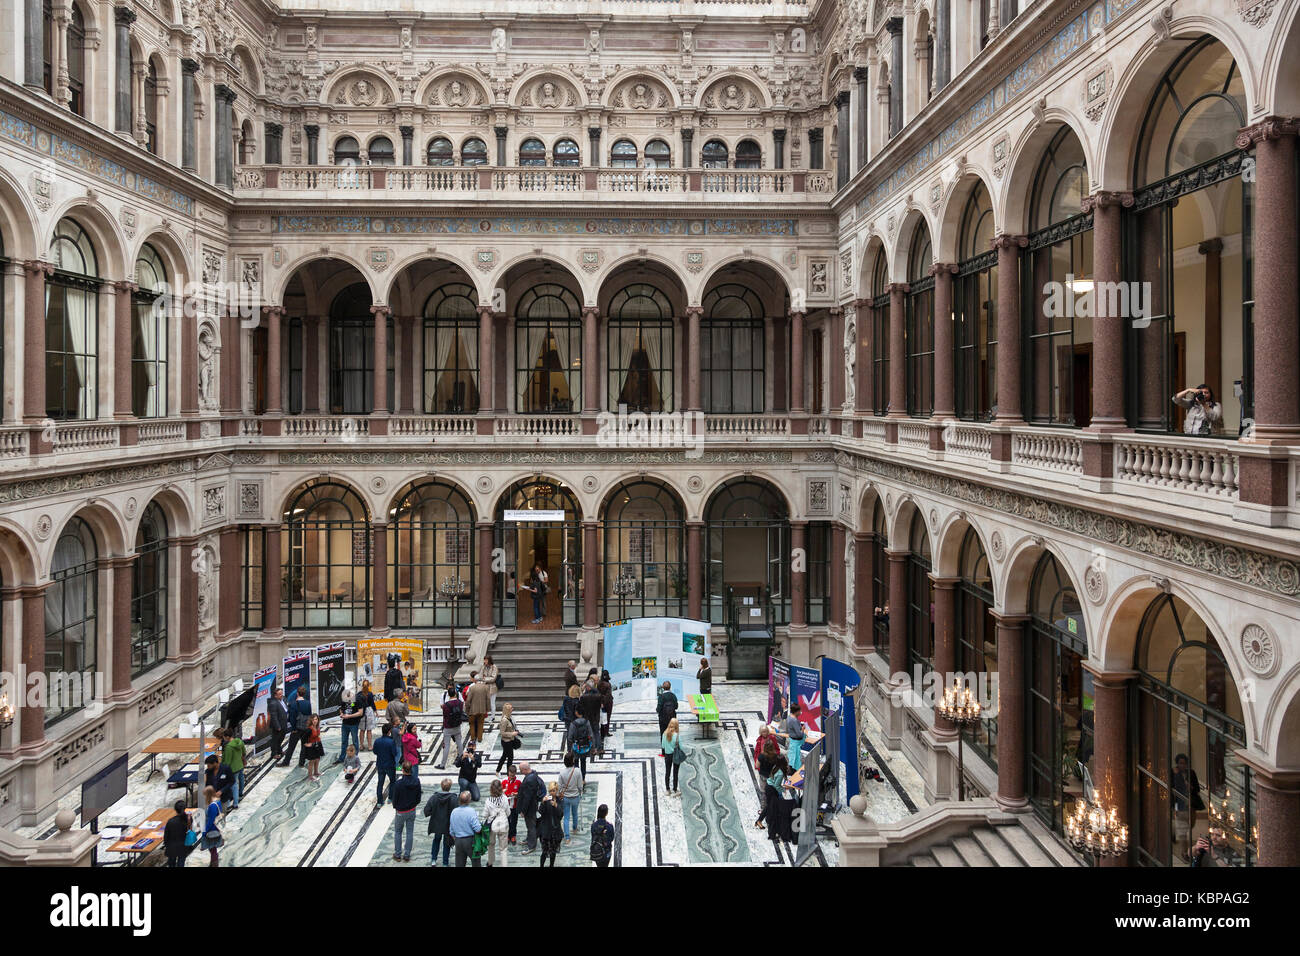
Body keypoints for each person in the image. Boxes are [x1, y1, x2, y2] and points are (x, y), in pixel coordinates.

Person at [391, 762, 422, 863]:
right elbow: (418, 797)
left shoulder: (398, 784)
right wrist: (413, 805)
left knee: (398, 832)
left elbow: (395, 798)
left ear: (403, 770)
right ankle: (407, 855)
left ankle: (398, 854)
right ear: (411, 769)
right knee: (409, 832)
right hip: (411, 810)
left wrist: (395, 807)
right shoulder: (416, 781)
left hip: (400, 811)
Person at [424, 778, 456, 867]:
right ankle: (445, 863)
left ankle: (433, 859)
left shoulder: (434, 797)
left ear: (441, 786)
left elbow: (426, 810)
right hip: (447, 825)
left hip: (436, 824)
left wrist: (433, 813)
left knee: (436, 840)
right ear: (450, 787)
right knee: (447, 843)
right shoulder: (453, 798)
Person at [516, 761, 545, 855]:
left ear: (525, 769)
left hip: (530, 808)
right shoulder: (533, 774)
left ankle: (531, 846)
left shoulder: (529, 780)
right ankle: (529, 839)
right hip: (533, 806)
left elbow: (527, 798)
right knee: (530, 825)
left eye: (520, 770)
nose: (520, 772)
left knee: (531, 826)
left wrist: (523, 811)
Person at [449, 791, 483, 868]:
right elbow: (477, 829)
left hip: (458, 841)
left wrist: (456, 839)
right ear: (469, 800)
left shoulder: (454, 812)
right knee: (476, 863)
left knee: (459, 864)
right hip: (470, 841)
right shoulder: (471, 811)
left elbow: (451, 831)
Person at [754, 738, 782, 829]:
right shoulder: (775, 756)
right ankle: (765, 815)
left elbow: (757, 766)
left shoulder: (761, 756)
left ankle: (763, 809)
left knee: (763, 792)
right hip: (771, 778)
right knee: (771, 798)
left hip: (763, 776)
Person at [281, 685, 312, 767]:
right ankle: (301, 763)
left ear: (297, 693)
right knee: (304, 746)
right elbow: (310, 715)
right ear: (304, 694)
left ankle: (286, 762)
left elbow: (292, 718)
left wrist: (293, 728)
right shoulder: (308, 703)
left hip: (297, 729)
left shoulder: (293, 704)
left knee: (291, 746)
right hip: (306, 728)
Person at [483, 779, 511, 867]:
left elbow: (485, 815)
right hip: (503, 825)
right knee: (503, 849)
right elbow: (508, 812)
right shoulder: (505, 798)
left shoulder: (488, 801)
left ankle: (490, 862)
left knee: (491, 845)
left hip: (492, 825)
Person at [557, 753, 584, 844]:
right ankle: (575, 828)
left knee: (566, 817)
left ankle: (567, 837)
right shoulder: (577, 771)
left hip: (566, 798)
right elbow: (580, 785)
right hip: (575, 796)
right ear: (572, 761)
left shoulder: (562, 773)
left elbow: (559, 786)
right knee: (575, 813)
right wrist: (580, 791)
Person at [437, 685, 465, 768]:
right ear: (456, 693)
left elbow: (445, 716)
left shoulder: (446, 705)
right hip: (457, 726)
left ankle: (442, 765)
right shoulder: (460, 703)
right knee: (459, 743)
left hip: (448, 727)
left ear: (448, 695)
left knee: (446, 745)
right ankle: (462, 761)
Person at [537, 781, 564, 866]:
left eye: (554, 790)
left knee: (553, 852)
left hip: (556, 830)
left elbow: (561, 815)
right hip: (546, 830)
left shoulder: (559, 800)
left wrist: (556, 806)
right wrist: (542, 802)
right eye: (551, 790)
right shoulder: (546, 799)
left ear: (557, 791)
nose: (552, 792)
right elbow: (540, 812)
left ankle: (551, 865)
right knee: (544, 852)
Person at [374, 722, 399, 805]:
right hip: (389, 765)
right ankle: (390, 798)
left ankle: (379, 802)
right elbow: (394, 753)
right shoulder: (391, 742)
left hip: (380, 764)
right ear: (389, 731)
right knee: (392, 781)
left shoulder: (377, 741)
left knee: (380, 783)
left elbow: (375, 751)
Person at [220, 729, 245, 809]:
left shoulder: (229, 747)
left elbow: (227, 761)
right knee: (241, 780)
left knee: (233, 785)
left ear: (227, 737)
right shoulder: (239, 742)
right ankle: (240, 793)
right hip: (240, 765)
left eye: (223, 737)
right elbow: (244, 752)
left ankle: (235, 803)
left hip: (233, 769)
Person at [162, 800, 192, 868]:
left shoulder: (171, 821)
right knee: (181, 863)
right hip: (183, 846)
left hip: (172, 847)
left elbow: (166, 836)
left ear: (175, 809)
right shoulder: (188, 819)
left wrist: (166, 845)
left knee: (171, 864)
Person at [464, 672, 491, 743]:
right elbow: (488, 699)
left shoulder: (472, 688)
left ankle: (473, 738)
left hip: (473, 710)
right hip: (482, 709)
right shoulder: (486, 687)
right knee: (480, 724)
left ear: (475, 680)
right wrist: (488, 709)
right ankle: (479, 738)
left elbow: (468, 700)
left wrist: (467, 709)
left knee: (472, 724)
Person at [778, 704, 806, 774]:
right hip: (796, 742)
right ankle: (794, 773)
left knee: (792, 758)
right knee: (795, 760)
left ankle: (791, 771)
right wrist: (802, 729)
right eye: (800, 711)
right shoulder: (794, 721)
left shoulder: (789, 717)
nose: (800, 712)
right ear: (796, 712)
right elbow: (799, 734)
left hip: (792, 740)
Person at [568, 708, 595, 777]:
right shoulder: (587, 722)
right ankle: (583, 778)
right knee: (583, 762)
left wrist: (569, 750)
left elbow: (570, 738)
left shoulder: (573, 724)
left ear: (577, 713)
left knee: (576, 762)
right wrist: (593, 747)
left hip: (576, 747)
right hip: (585, 746)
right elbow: (591, 735)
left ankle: (577, 778)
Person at [201, 785, 223, 867]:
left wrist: (204, 831)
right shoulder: (217, 801)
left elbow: (211, 821)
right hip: (215, 828)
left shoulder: (212, 806)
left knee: (212, 849)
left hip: (212, 830)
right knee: (213, 849)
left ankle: (214, 864)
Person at [579, 680, 603, 756]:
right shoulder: (598, 695)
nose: (585, 687)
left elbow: (581, 707)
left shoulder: (584, 697)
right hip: (596, 717)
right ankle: (599, 748)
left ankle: (593, 749)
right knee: (597, 732)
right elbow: (601, 706)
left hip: (588, 717)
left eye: (586, 686)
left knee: (591, 733)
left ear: (588, 687)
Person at [338, 689, 362, 762]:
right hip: (345, 723)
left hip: (354, 724)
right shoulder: (344, 700)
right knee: (344, 741)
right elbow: (341, 709)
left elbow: (360, 712)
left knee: (355, 741)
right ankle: (342, 757)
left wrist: (349, 716)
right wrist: (341, 714)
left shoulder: (357, 700)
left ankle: (355, 757)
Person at [496, 702, 520, 773]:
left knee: (506, 757)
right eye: (511, 708)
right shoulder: (504, 720)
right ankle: (506, 773)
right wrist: (512, 734)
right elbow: (502, 733)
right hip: (506, 742)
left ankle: (500, 771)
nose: (512, 709)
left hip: (510, 740)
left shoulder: (510, 717)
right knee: (509, 757)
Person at [661, 717, 683, 795]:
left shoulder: (664, 734)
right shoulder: (677, 736)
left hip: (667, 755)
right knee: (675, 773)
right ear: (677, 726)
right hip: (675, 755)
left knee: (667, 772)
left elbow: (663, 746)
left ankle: (667, 790)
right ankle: (675, 789)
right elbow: (682, 747)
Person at [268, 687, 290, 761]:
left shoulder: (283, 699)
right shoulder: (273, 703)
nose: (281, 695)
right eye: (279, 694)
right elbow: (274, 716)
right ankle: (274, 753)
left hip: (284, 723)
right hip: (278, 725)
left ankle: (279, 750)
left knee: (281, 739)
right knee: (275, 739)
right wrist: (278, 726)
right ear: (275, 696)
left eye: (281, 693)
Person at [589, 804, 615, 868]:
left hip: (597, 850)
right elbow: (612, 838)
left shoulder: (593, 825)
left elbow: (593, 836)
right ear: (606, 813)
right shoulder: (609, 826)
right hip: (607, 851)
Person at [356, 679, 378, 751]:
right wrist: (376, 712)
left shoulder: (359, 694)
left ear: (362, 685)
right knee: (369, 730)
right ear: (369, 686)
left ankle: (361, 745)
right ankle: (369, 746)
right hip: (369, 711)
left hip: (361, 711)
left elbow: (355, 703)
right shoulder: (370, 694)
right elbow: (372, 704)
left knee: (362, 730)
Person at [502, 765, 522, 844]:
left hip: (514, 805)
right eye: (510, 775)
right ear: (508, 773)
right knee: (506, 821)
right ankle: (507, 836)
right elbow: (499, 793)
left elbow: (521, 794)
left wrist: (516, 794)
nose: (511, 777)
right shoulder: (504, 781)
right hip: (506, 806)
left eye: (513, 776)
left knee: (514, 821)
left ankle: (513, 835)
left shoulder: (518, 782)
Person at [303, 713, 325, 780]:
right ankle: (310, 776)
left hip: (317, 744)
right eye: (313, 720)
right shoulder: (309, 729)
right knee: (311, 761)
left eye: (316, 719)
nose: (315, 721)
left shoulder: (317, 727)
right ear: (311, 721)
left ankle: (316, 772)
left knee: (317, 759)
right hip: (312, 746)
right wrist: (306, 744)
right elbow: (303, 738)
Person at [599, 669, 614, 745]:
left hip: (601, 703)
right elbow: (608, 696)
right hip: (608, 703)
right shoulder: (608, 685)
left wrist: (601, 702)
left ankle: (603, 731)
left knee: (602, 717)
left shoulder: (599, 683)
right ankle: (606, 732)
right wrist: (605, 703)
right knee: (607, 717)